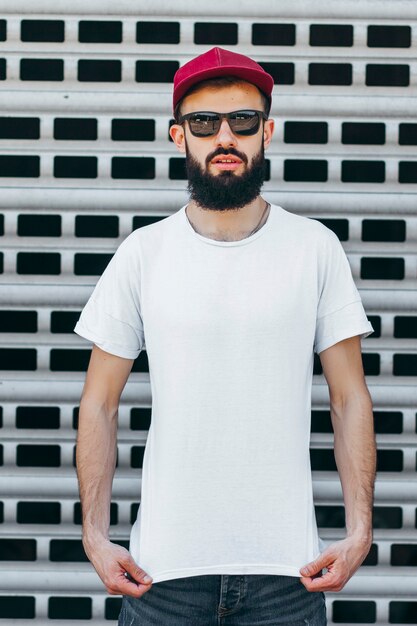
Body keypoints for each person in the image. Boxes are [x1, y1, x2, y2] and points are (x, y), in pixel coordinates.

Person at [74, 47, 376, 626]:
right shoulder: (143, 253)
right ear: (177, 135)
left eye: (241, 121)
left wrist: (360, 530)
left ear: (266, 131)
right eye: (204, 123)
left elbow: (349, 398)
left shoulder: (314, 248)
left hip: (290, 575)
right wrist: (94, 535)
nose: (224, 138)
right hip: (161, 578)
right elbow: (100, 402)